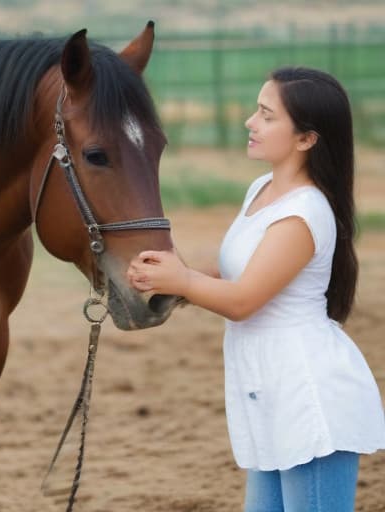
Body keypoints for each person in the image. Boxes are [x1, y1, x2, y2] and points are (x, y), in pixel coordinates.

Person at [127, 66, 385, 511]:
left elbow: (245, 301)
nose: (250, 121)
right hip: (269, 392)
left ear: (306, 139)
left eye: (267, 115)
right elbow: (240, 277)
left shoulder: (302, 214)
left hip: (309, 397)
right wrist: (168, 279)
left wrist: (183, 279)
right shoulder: (263, 190)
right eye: (256, 110)